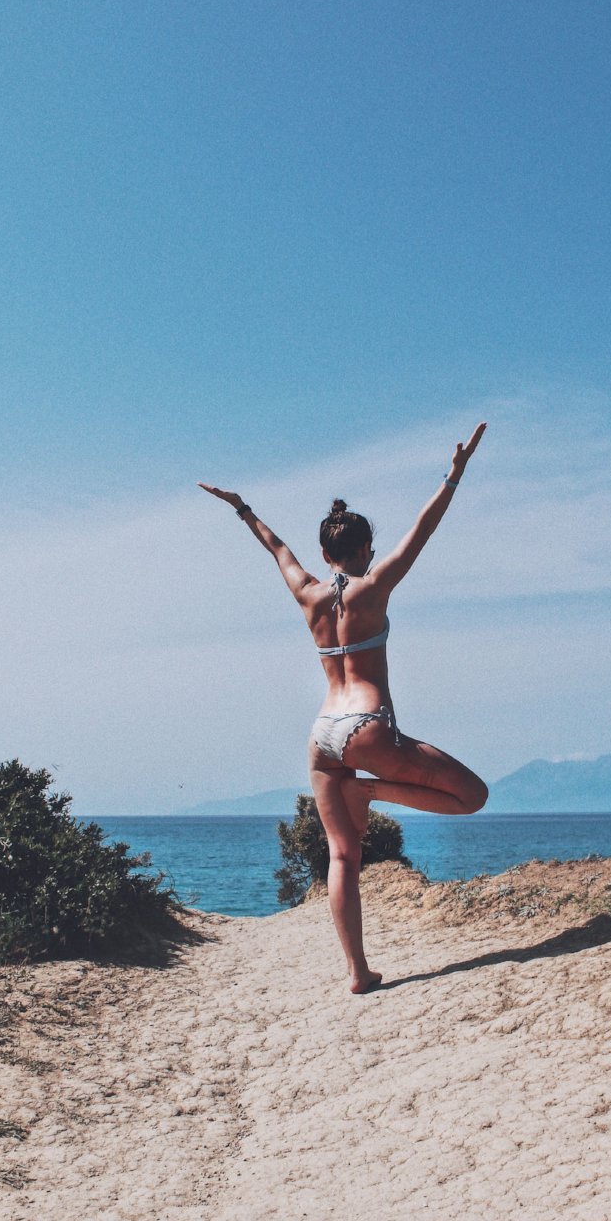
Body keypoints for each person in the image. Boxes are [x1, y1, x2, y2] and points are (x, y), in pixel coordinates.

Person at [198, 422, 489, 993]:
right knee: (472, 796)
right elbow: (422, 531)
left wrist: (243, 508)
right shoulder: (372, 587)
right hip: (367, 726)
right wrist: (453, 476)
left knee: (342, 857)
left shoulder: (307, 593)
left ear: (325, 553)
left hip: (323, 732)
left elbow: (277, 549)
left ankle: (357, 972)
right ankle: (371, 792)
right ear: (362, 551)